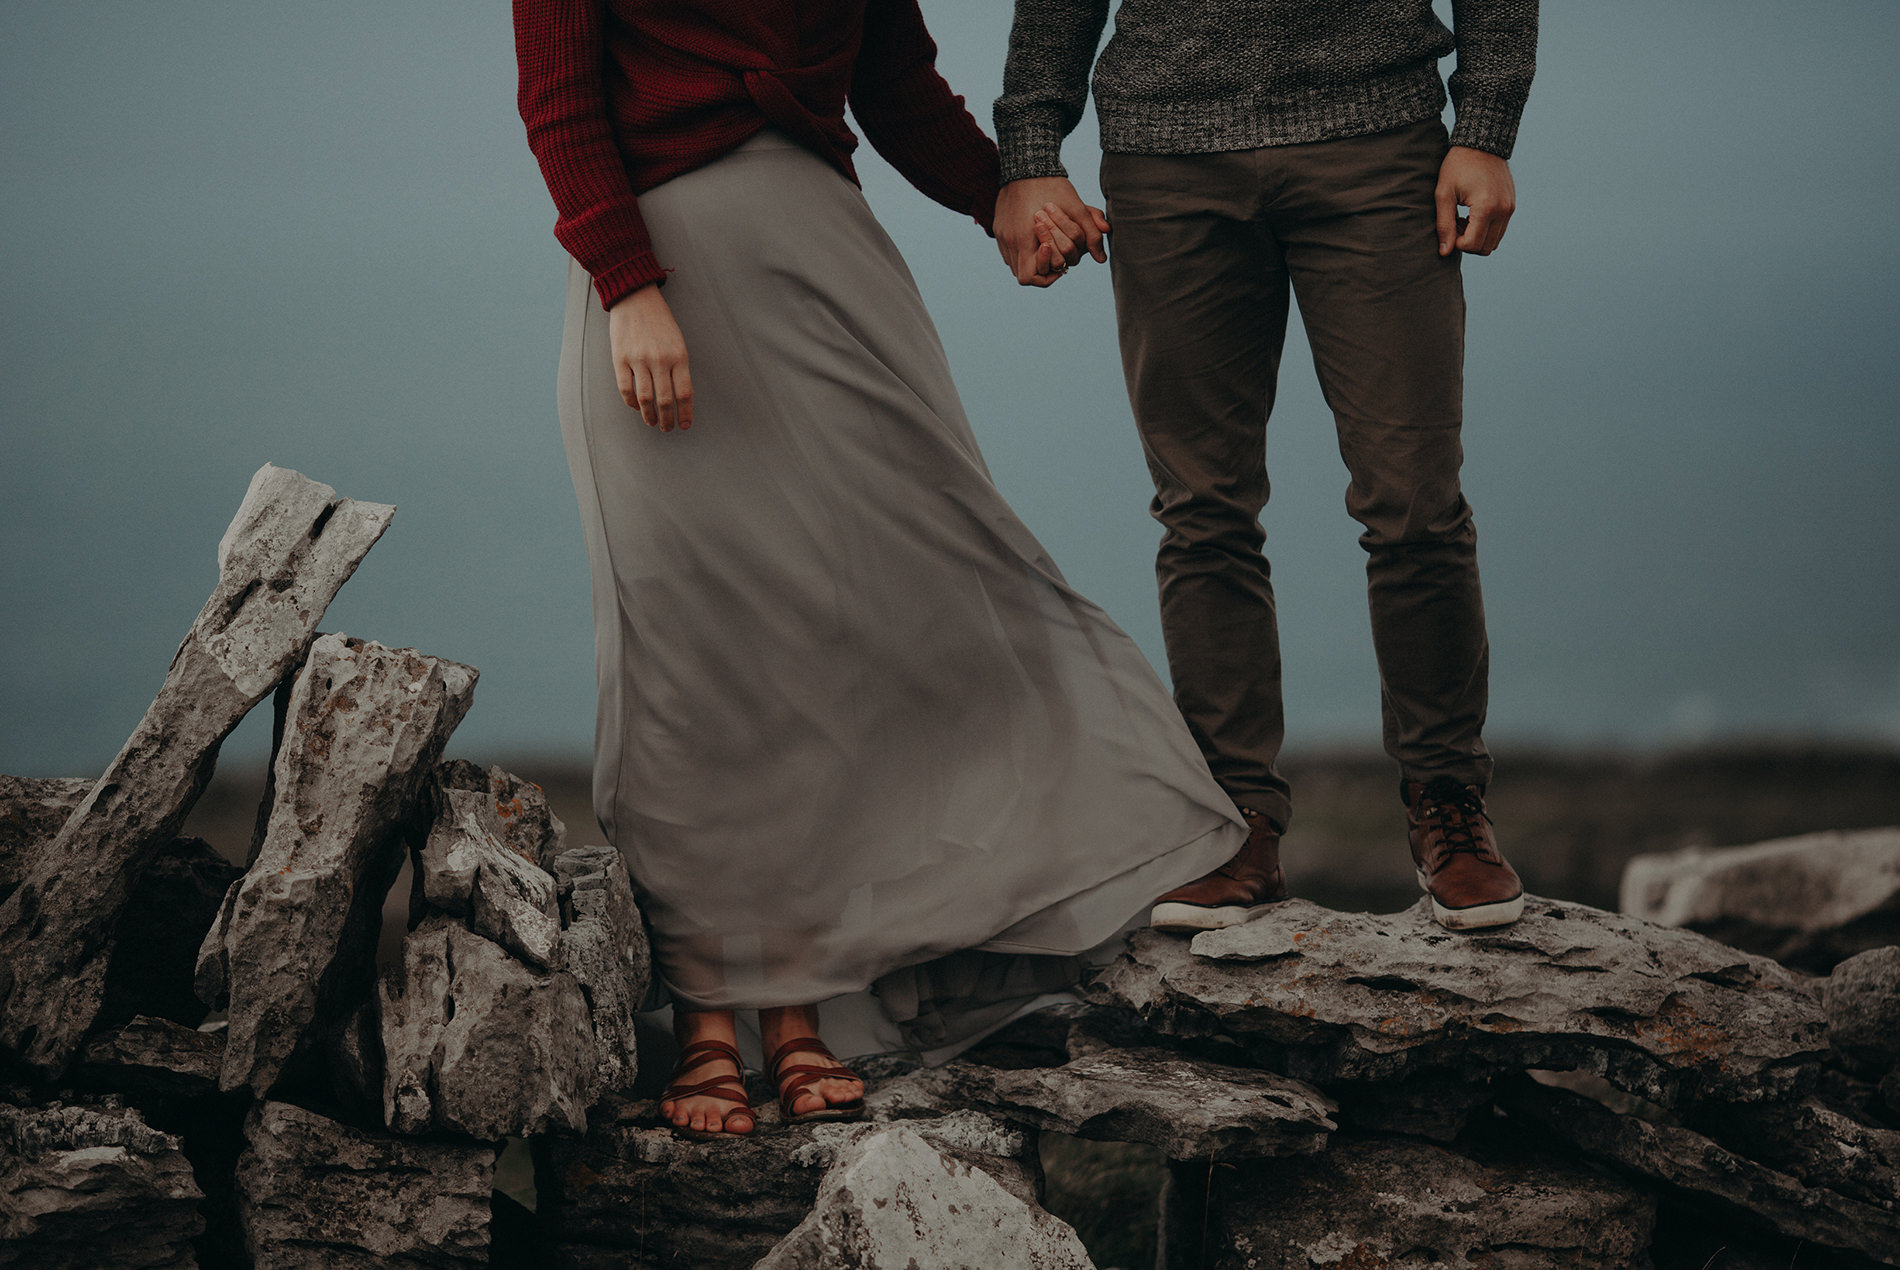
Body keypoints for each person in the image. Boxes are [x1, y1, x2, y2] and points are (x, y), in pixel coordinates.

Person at [512, 0, 1246, 1138]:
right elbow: (558, 102)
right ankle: (714, 1012)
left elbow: (897, 81)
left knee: (856, 626)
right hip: (655, 293)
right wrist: (626, 282)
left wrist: (1001, 192)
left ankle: (803, 1004)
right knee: (687, 647)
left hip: (825, 275)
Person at [992, 0, 1538, 932]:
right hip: (1165, 159)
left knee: (1414, 503)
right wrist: (1032, 149)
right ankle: (1234, 826)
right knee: (1203, 511)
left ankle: (1448, 805)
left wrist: (1486, 125)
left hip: (1377, 139)